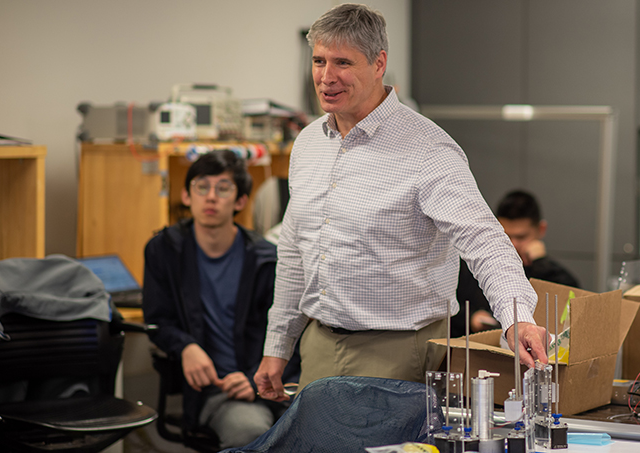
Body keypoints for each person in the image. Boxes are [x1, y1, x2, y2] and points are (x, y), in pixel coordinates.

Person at [254, 3, 548, 404]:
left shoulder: (428, 148)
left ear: (379, 64)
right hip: (319, 345)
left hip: (400, 351)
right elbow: (293, 252)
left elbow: (484, 241)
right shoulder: (307, 144)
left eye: (343, 62)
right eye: (319, 60)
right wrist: (278, 345)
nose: (326, 77)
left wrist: (518, 319)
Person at [142, 149, 298, 448]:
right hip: (216, 391)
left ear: (240, 201)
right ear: (187, 195)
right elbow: (158, 320)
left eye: (223, 188)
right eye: (202, 187)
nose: (210, 197)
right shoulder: (164, 250)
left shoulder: (266, 259)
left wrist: (256, 378)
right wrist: (186, 346)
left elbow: (290, 330)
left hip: (270, 381)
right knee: (251, 432)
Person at [453, 190, 581, 337]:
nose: (512, 244)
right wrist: (469, 318)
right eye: (506, 235)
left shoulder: (548, 270)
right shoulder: (474, 265)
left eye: (521, 237)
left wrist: (541, 263)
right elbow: (445, 307)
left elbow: (574, 305)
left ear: (541, 229)